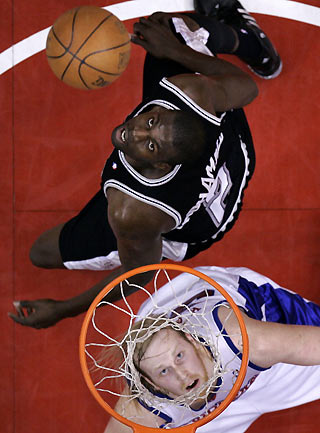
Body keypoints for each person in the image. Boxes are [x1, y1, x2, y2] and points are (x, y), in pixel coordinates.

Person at [9, 1, 282, 329]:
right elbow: (247, 88)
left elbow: (140, 274)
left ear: (162, 164)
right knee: (163, 28)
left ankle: (228, 40)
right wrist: (173, 50)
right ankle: (253, 44)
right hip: (236, 154)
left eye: (149, 144)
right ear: (167, 106)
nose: (133, 131)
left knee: (41, 253)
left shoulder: (133, 211)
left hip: (202, 220)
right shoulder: (193, 94)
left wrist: (64, 309)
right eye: (150, 119)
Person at [102, 265, 320, 433]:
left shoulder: (245, 341)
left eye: (179, 357)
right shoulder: (146, 405)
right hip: (195, 376)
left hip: (247, 319)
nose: (181, 374)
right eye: (164, 371)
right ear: (150, 384)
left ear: (192, 341)